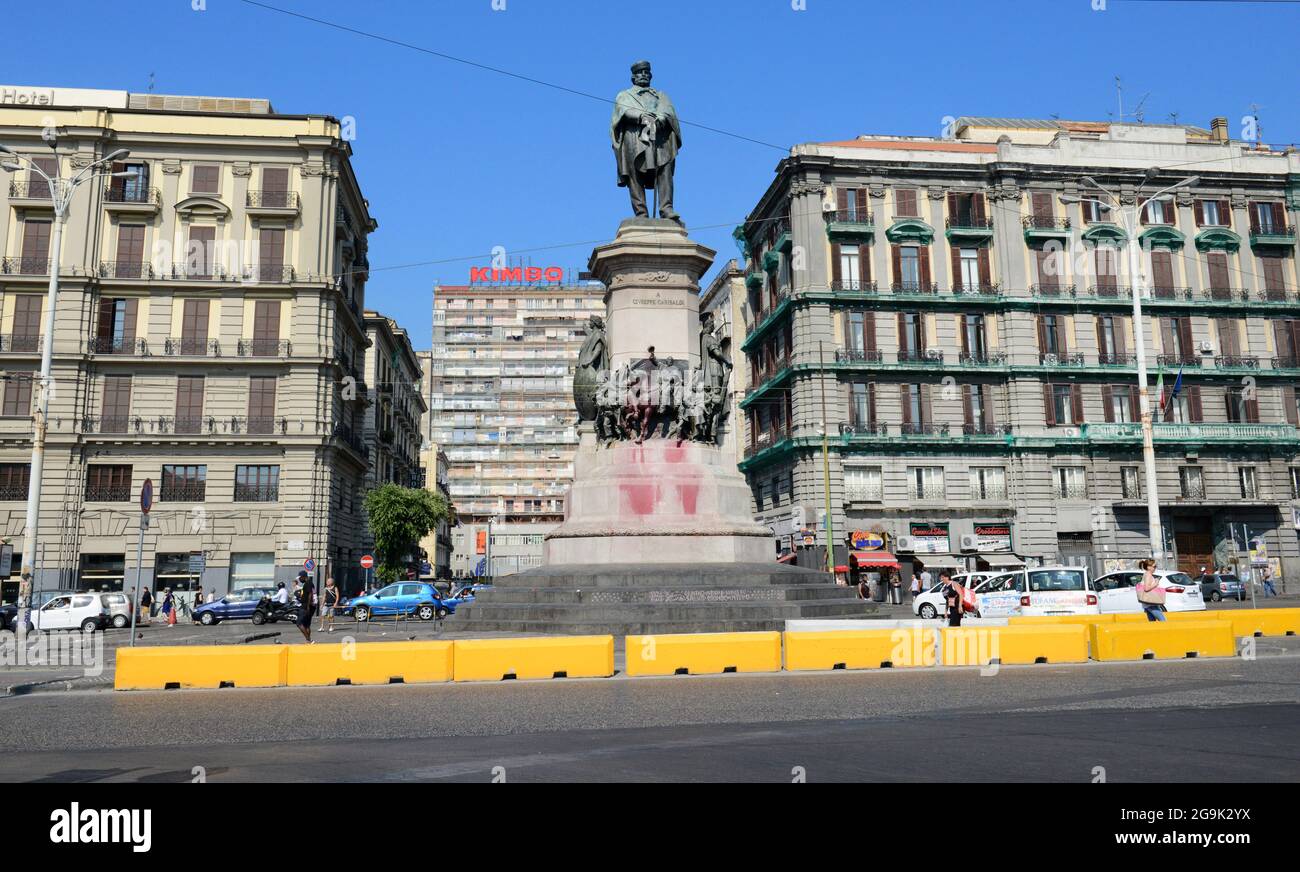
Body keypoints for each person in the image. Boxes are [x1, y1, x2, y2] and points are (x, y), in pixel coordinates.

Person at [296, 573, 316, 643]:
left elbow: (310, 594)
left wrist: (308, 606)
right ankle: (308, 641)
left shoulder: (308, 583)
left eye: (300, 578)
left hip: (306, 606)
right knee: (307, 624)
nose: (299, 580)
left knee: (299, 623)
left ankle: (309, 640)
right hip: (310, 606)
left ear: (304, 577)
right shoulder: (310, 583)